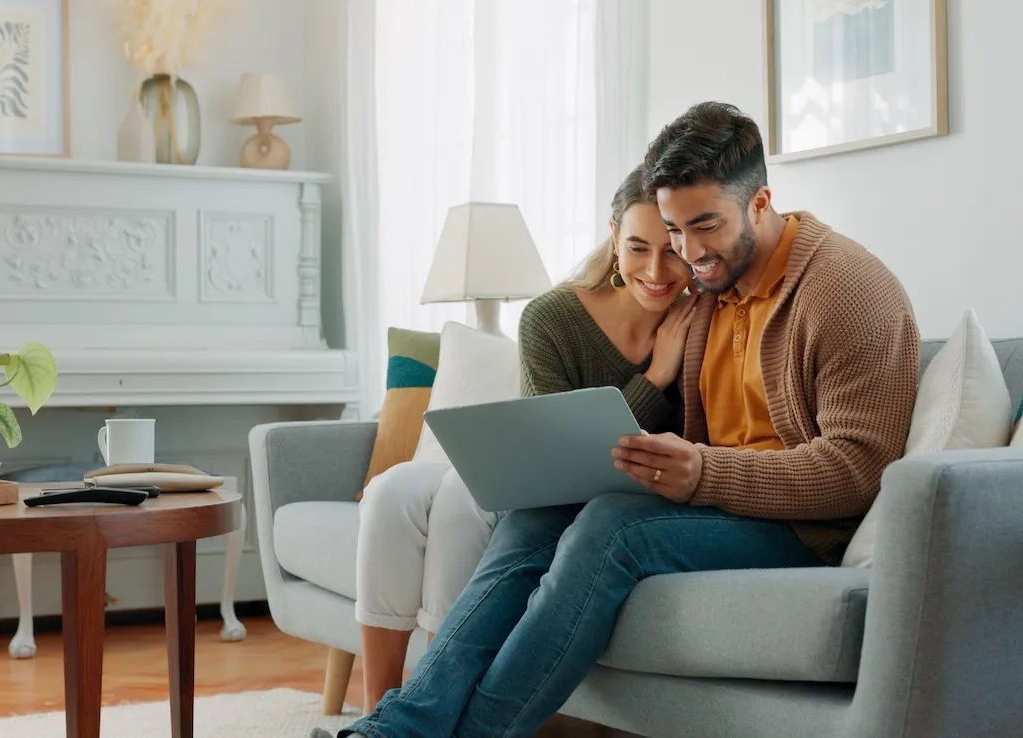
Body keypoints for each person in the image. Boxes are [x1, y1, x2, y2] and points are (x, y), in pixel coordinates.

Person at [329, 101, 920, 738]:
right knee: (540, 514)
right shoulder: (710, 288)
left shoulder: (847, 291)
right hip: (720, 505)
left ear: (759, 202)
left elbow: (861, 471)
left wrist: (702, 472)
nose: (689, 253)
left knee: (614, 526)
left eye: (705, 227)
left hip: (805, 527)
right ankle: (394, 729)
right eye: (674, 231)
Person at [351, 164, 697, 712]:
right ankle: (380, 709)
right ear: (613, 238)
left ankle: (429, 712)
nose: (656, 270)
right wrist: (654, 378)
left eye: (672, 250)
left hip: (607, 500)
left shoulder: (701, 321)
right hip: (542, 483)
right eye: (637, 247)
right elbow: (557, 462)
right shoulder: (553, 317)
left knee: (460, 504)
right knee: (397, 493)